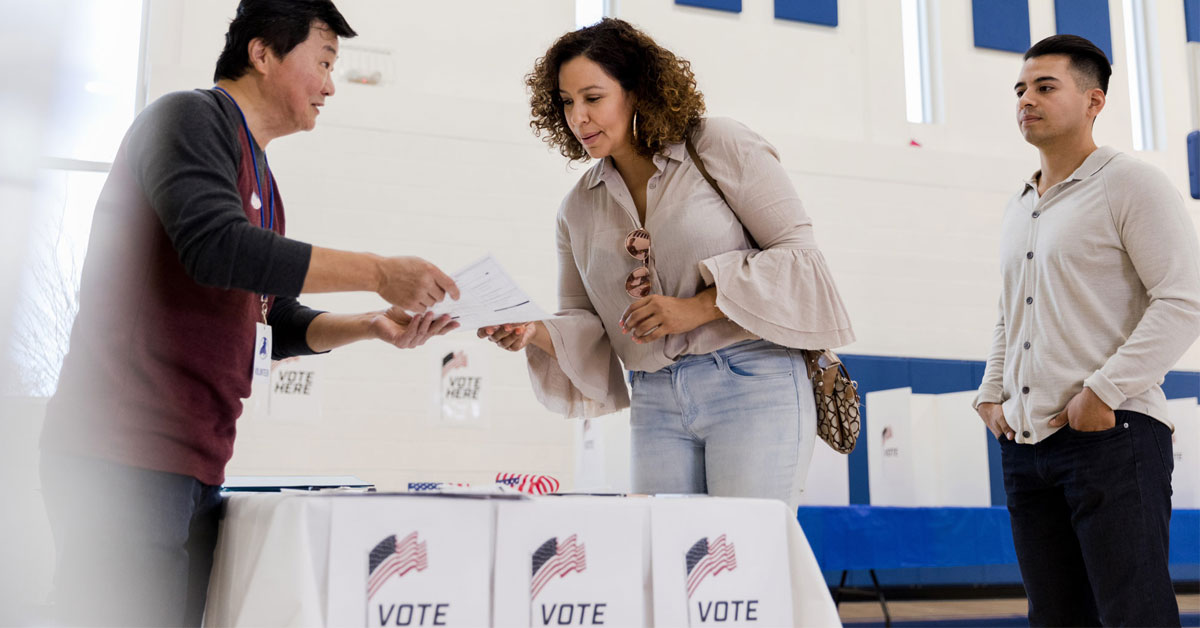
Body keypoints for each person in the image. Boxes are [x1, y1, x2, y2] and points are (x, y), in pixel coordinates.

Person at [39, 1, 460, 625]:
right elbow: (217, 248)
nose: (329, 84)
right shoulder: (187, 118)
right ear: (261, 54)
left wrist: (369, 324)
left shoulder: (262, 180)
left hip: (194, 459)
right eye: (322, 61)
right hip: (121, 452)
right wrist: (376, 270)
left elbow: (272, 318)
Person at [480, 18, 853, 508]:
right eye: (567, 102)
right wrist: (534, 331)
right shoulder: (576, 207)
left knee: (745, 555)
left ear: (636, 91)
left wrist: (698, 307)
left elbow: (800, 259)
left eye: (593, 98)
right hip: (655, 398)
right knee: (664, 563)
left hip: (754, 380)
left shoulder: (718, 144)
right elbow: (584, 320)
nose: (578, 117)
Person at [974, 34, 1200, 626]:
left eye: (1045, 87)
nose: (1027, 99)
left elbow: (1183, 301)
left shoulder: (1131, 183)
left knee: (1134, 615)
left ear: (1094, 101)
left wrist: (1102, 392)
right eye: (1020, 89)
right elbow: (1010, 310)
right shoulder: (1021, 203)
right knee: (1055, 618)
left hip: (1111, 434)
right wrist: (990, 391)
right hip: (1026, 447)